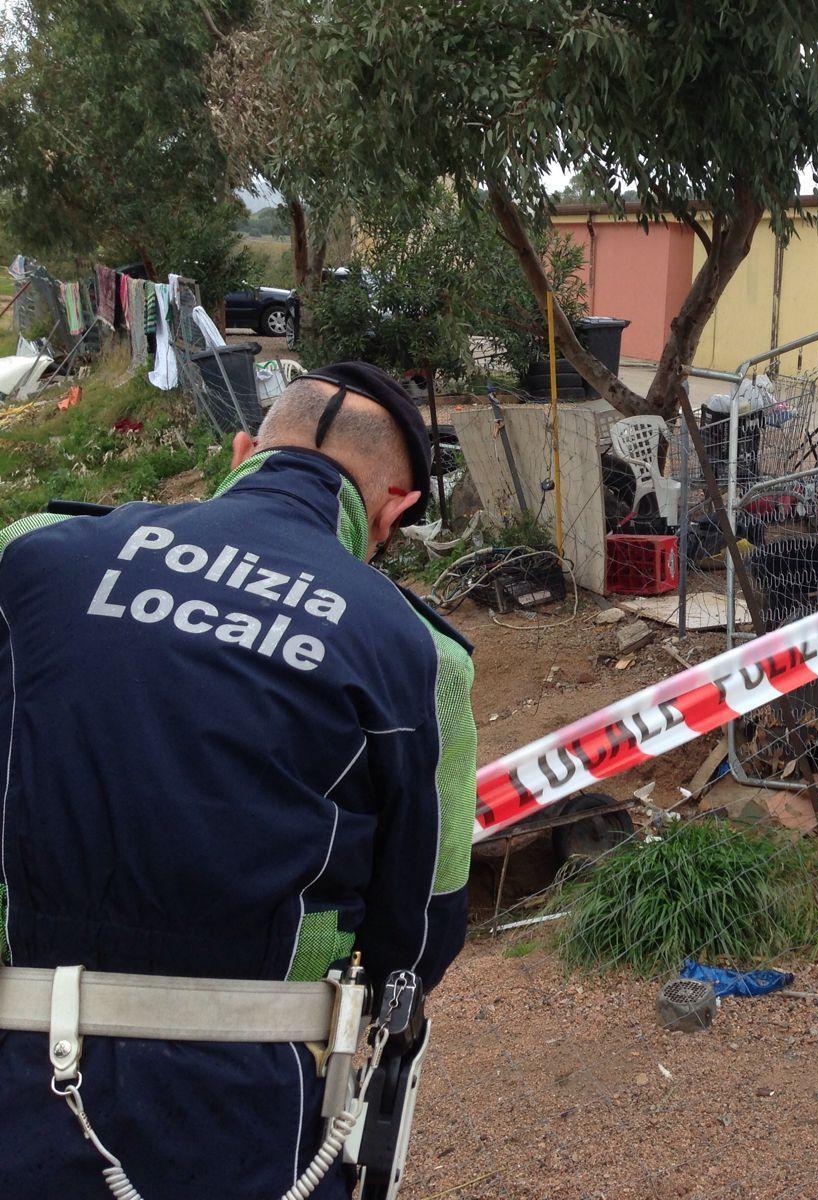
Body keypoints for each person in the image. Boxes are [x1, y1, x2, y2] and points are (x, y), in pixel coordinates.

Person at [0, 362, 477, 1196]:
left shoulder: (33, 555)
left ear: (241, 450)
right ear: (392, 510)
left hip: (21, 1081)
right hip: (253, 1113)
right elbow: (421, 940)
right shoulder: (419, 656)